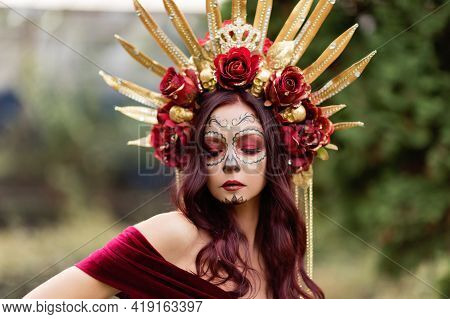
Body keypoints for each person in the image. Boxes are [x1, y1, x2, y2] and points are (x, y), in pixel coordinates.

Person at [23, 0, 375, 299]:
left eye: (250, 146)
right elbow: (32, 306)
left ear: (277, 154)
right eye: (212, 148)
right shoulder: (174, 235)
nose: (232, 164)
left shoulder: (278, 254)